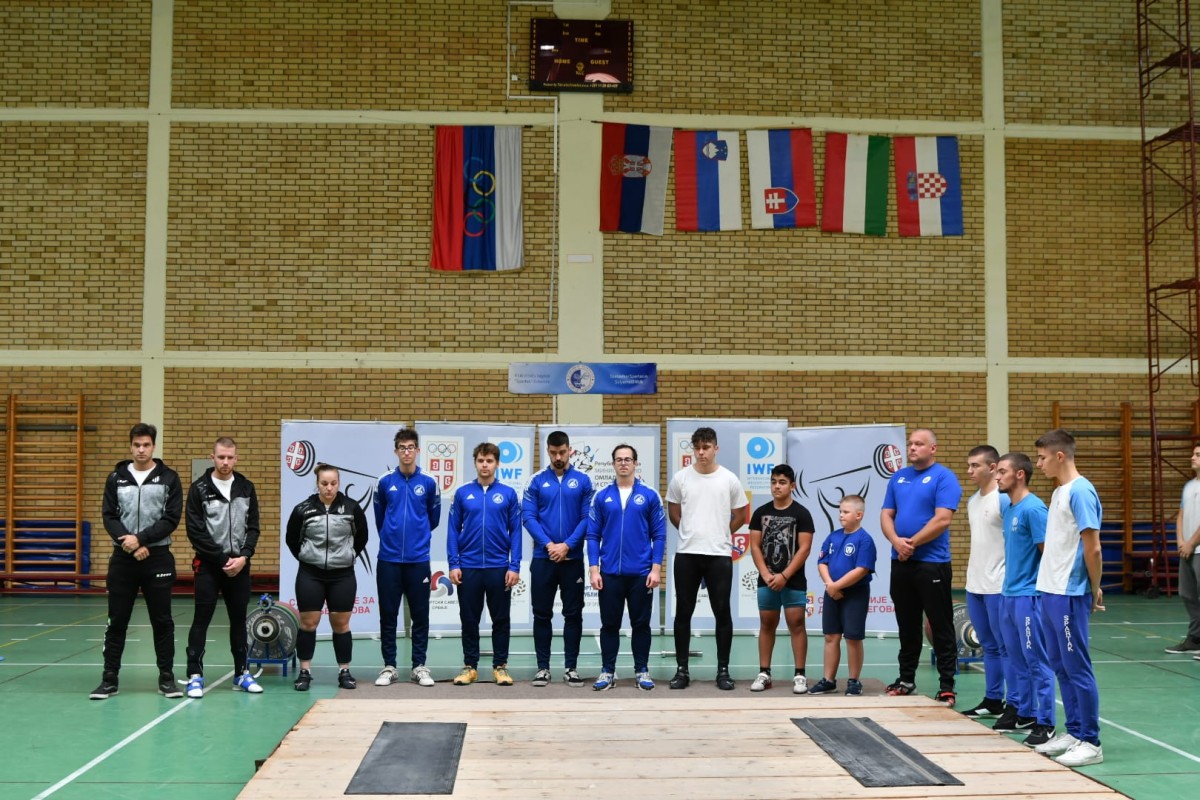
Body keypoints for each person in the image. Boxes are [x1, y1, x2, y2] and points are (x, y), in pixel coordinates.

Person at [91, 423, 183, 700]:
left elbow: (171, 518)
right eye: (136, 445)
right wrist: (129, 545)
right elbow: (109, 516)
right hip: (123, 558)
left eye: (146, 445)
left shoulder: (169, 478)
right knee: (117, 621)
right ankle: (109, 680)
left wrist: (140, 540)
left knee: (162, 621)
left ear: (153, 446)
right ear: (130, 447)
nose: (141, 450)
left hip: (158, 558)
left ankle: (166, 679)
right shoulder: (115, 478)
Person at [1033, 429, 1105, 767]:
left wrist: (1095, 586)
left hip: (1069, 592)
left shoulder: (1081, 491)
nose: (1039, 464)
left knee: (1077, 668)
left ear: (1059, 456)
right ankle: (1075, 731)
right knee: (1060, 666)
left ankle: (1091, 741)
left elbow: (1093, 547)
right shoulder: (1059, 491)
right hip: (1049, 589)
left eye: (1042, 458)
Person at [880, 427, 963, 705]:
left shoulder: (944, 477)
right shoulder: (898, 477)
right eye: (910, 444)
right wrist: (896, 542)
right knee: (907, 625)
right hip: (901, 564)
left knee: (940, 624)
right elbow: (886, 515)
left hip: (932, 564)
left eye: (919, 444)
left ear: (933, 448)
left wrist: (911, 544)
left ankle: (947, 685)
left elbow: (942, 519)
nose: (912, 448)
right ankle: (906, 679)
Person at [665, 427, 750, 691]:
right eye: (697, 448)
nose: (701, 453)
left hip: (719, 555)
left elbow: (741, 515)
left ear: (716, 448)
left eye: (706, 447)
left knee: (722, 611)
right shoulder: (680, 478)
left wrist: (721, 532)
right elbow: (673, 511)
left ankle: (723, 671)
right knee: (683, 612)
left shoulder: (729, 479)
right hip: (687, 554)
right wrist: (689, 532)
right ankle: (682, 670)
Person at [184, 436, 262, 697]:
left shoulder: (246, 487)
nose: (225, 462)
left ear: (236, 458)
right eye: (221, 457)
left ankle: (242, 673)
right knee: (201, 619)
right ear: (212, 457)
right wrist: (221, 559)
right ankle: (195, 675)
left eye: (230, 457)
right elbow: (195, 532)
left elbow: (253, 527)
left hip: (239, 566)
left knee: (239, 620)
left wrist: (244, 557)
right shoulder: (199, 488)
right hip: (209, 566)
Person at [586, 444, 667, 691]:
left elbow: (659, 535)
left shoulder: (650, 495)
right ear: (613, 464)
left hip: (641, 574)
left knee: (640, 625)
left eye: (628, 459)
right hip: (610, 574)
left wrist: (656, 569)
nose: (623, 463)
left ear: (635, 463)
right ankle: (607, 671)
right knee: (609, 625)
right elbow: (592, 535)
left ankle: (642, 671)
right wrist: (594, 569)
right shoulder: (602, 496)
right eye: (619, 459)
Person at [285, 463, 369, 691]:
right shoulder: (303, 509)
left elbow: (362, 537)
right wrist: (306, 556)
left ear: (339, 483)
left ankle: (344, 671)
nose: (329, 488)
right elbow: (292, 539)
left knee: (341, 624)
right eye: (324, 483)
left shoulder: (351, 508)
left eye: (333, 483)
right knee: (308, 623)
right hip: (310, 574)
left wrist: (348, 555)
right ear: (317, 483)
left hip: (342, 576)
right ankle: (305, 672)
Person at [523, 430, 595, 687]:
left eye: (562, 452)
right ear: (548, 451)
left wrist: (567, 546)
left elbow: (587, 518)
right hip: (543, 559)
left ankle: (571, 668)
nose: (558, 457)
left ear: (569, 450)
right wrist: (549, 545)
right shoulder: (535, 481)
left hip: (572, 560)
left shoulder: (584, 481)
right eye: (553, 453)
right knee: (541, 614)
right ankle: (543, 668)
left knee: (573, 615)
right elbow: (528, 517)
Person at [993, 452, 1056, 746]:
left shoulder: (1034, 509)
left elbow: (1049, 555)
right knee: (1016, 659)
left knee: (1036, 662)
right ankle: (1026, 713)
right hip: (1008, 595)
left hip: (1029, 597)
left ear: (1020, 474)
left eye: (1002, 472)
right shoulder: (1010, 508)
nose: (997, 476)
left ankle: (1046, 722)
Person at [447, 442, 522, 686]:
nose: (485, 465)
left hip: (499, 566)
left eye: (489, 461)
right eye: (481, 461)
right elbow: (452, 530)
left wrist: (514, 566)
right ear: (475, 463)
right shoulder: (463, 493)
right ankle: (470, 667)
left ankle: (500, 667)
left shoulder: (508, 494)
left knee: (501, 619)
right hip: (468, 566)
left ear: (497, 463)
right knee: (469, 619)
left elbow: (516, 532)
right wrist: (454, 563)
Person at [373, 427, 441, 688]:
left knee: (420, 616)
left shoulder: (429, 482)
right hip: (388, 560)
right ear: (396, 451)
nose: (407, 452)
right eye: (402, 448)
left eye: (411, 447)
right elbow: (380, 518)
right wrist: (391, 537)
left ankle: (419, 666)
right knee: (388, 615)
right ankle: (389, 666)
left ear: (418, 450)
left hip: (418, 560)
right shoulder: (384, 482)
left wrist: (417, 538)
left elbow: (433, 519)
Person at [747, 464, 814, 694]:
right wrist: (766, 575)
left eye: (782, 482)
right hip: (767, 581)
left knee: (797, 624)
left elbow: (804, 549)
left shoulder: (802, 514)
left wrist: (785, 575)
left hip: (793, 581)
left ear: (792, 486)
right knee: (767, 624)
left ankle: (800, 675)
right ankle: (764, 673)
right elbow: (755, 547)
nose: (777, 486)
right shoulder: (760, 513)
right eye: (774, 482)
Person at [960, 445, 1013, 719]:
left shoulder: (1004, 500)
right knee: (988, 646)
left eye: (975, 465)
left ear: (992, 468)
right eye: (969, 465)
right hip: (975, 585)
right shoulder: (972, 501)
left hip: (998, 585)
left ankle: (1015, 705)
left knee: (1006, 647)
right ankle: (993, 700)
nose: (969, 471)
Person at [809, 495, 877, 695]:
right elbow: (822, 562)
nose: (841, 515)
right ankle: (828, 680)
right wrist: (830, 585)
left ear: (859, 515)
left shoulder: (865, 540)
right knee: (831, 636)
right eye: (840, 511)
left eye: (846, 512)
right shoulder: (833, 537)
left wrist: (836, 586)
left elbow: (862, 569)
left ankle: (854, 681)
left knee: (853, 637)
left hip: (855, 594)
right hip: (832, 592)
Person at [1166, 443, 1200, 655]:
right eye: (1193, 454)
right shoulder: (1188, 486)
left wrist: (1191, 543)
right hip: (1187, 549)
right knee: (1187, 594)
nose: (1192, 457)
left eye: (1198, 454)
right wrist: (1181, 541)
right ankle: (1195, 638)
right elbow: (1181, 515)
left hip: (1197, 549)